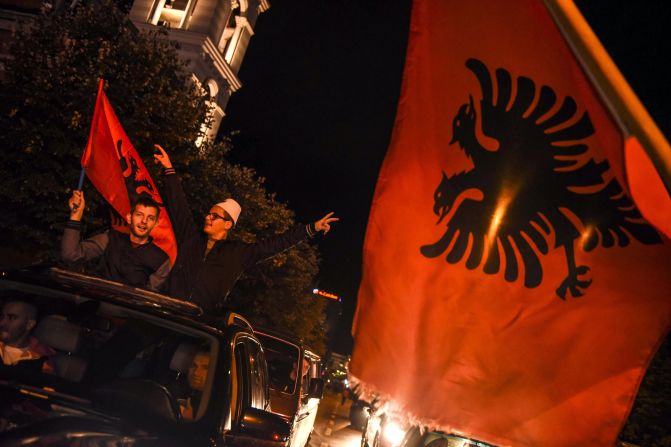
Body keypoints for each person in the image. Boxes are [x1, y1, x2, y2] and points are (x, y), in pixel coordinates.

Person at [152, 145, 339, 311]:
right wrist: (169, 169)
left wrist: (311, 228)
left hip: (198, 326)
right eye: (209, 214)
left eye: (215, 216)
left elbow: (276, 244)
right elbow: (179, 206)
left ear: (227, 224)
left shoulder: (238, 254)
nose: (208, 218)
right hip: (167, 313)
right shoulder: (191, 238)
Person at [61, 191, 170, 292]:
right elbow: (71, 255)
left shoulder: (161, 260)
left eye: (150, 218)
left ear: (155, 224)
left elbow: (147, 301)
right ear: (129, 218)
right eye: (139, 215)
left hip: (127, 311)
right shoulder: (110, 238)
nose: (144, 221)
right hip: (96, 304)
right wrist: (75, 216)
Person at [0, 298, 54, 372]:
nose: (2, 323)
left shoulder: (40, 360)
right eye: (2, 317)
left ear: (29, 324)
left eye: (11, 318)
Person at [178, 348, 210, 421]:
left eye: (205, 368)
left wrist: (186, 416)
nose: (196, 372)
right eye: (194, 366)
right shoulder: (188, 392)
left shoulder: (215, 402)